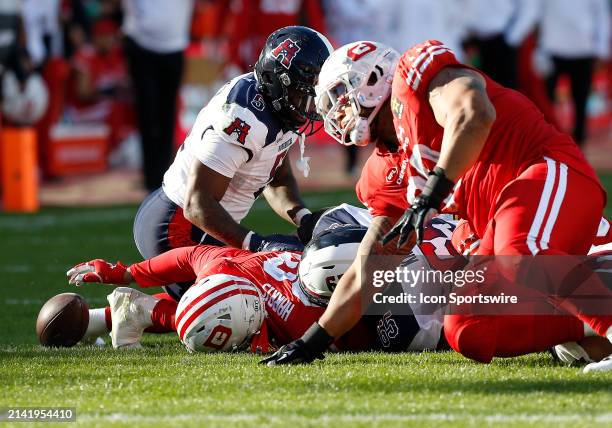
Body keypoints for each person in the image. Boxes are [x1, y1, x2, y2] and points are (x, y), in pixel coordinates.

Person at [261, 39, 612, 370]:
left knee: (517, 252)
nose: (336, 111)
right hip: (500, 223)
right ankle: (586, 325)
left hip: (545, 170)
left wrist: (431, 194)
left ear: (369, 76)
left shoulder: (417, 78)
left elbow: (475, 114)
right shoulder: (383, 173)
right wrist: (312, 341)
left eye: (339, 94)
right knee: (467, 327)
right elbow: (368, 268)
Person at [132, 26, 333, 301]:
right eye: (305, 95)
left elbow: (277, 178)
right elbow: (197, 205)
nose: (311, 107)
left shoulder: (277, 105)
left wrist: (304, 218)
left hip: (205, 229)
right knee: (255, 306)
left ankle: (120, 313)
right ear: (280, 82)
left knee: (291, 277)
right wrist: (257, 244)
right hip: (178, 229)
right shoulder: (243, 118)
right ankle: (125, 312)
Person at [122, 0, 195, 191]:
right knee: (147, 113)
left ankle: (165, 173)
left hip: (175, 44)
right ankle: (150, 176)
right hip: (141, 42)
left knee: (167, 113)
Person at [539, 0, 610, 146]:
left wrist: (601, 50)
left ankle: (579, 145)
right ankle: (545, 140)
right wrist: (540, 49)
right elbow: (538, 12)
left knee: (580, 99)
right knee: (546, 100)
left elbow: (602, 17)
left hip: (583, 49)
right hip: (553, 48)